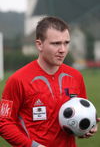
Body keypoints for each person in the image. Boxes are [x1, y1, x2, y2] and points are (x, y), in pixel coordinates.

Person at [0, 16, 100, 147]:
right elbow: (4, 122)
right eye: (56, 43)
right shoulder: (17, 80)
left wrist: (85, 127)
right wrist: (33, 146)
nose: (63, 50)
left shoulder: (76, 77)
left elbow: (78, 116)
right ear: (39, 44)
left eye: (66, 43)